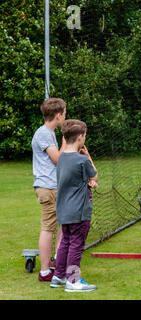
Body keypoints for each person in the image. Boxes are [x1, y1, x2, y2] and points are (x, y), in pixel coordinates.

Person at [49, 119, 98, 292]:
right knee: (76, 244)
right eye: (84, 136)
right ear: (79, 137)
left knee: (65, 243)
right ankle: (73, 281)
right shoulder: (81, 160)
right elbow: (94, 174)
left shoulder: (61, 158)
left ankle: (58, 276)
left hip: (64, 210)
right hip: (79, 211)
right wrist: (88, 156)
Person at [31, 98, 67, 281]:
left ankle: (57, 261)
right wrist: (66, 141)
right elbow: (57, 159)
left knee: (60, 224)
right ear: (59, 115)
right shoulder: (44, 133)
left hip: (54, 186)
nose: (65, 117)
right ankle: (45, 271)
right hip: (48, 187)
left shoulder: (48, 132)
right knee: (48, 228)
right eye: (65, 114)